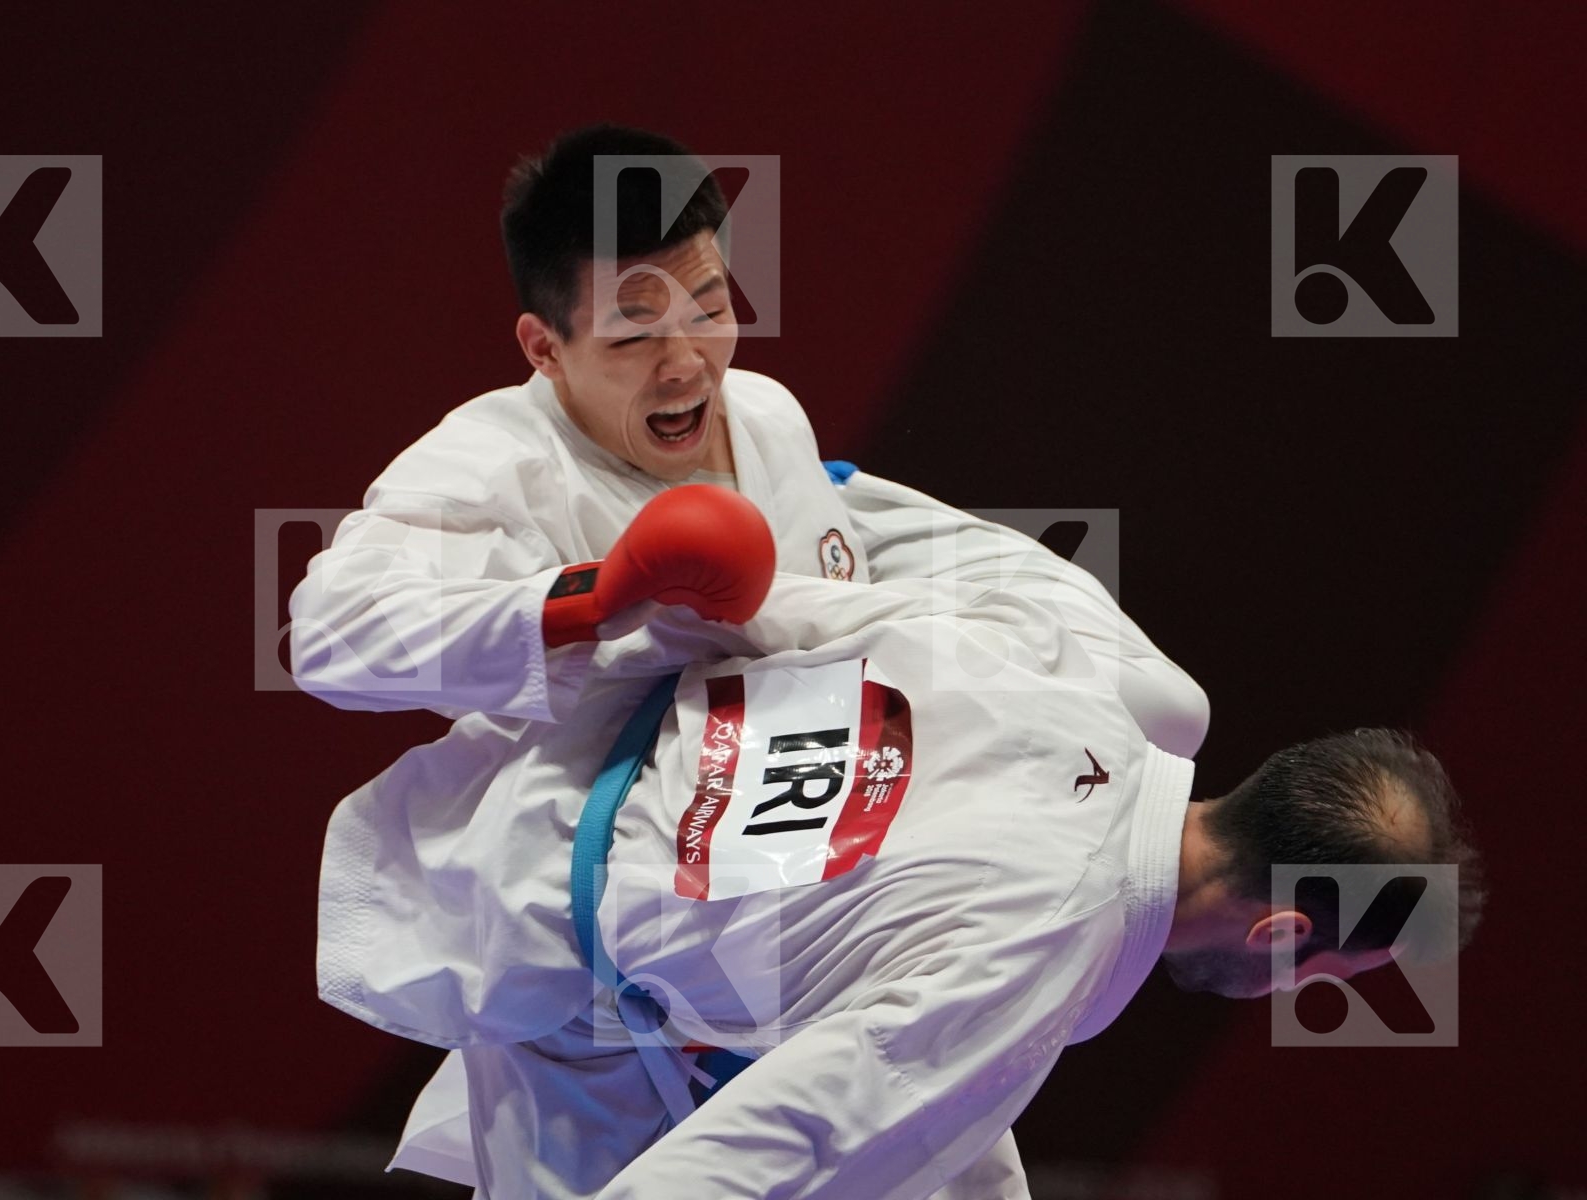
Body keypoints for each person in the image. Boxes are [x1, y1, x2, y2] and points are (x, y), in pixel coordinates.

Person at [290, 123, 1205, 1194]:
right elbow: (332, 629)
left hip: (804, 903)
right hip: (594, 972)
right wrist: (602, 594)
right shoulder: (494, 460)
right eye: (633, 336)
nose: (687, 364)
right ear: (543, 348)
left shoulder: (765, 414)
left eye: (711, 309)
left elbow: (855, 558)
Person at [315, 502, 1485, 1198]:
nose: (1285, 991)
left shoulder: (1090, 659)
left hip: (549, 739)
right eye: (1319, 975)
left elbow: (837, 503)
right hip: (546, 971)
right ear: (1283, 934)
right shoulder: (1032, 972)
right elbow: (776, 1150)